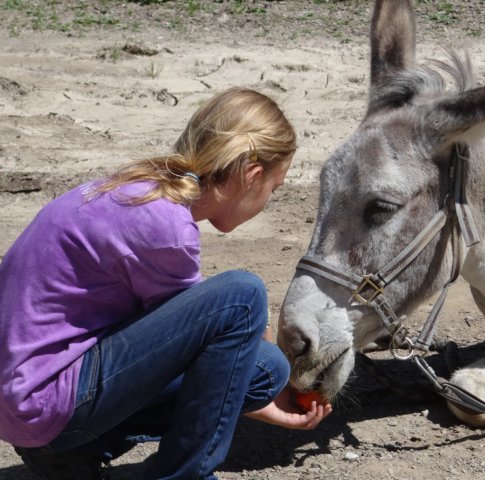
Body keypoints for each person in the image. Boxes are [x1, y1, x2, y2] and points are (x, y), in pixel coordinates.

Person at [0, 87, 332, 480]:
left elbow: (195, 359)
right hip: (45, 404)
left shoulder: (139, 189)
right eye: (273, 190)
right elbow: (208, 347)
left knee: (264, 369)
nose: (268, 201)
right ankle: (183, 475)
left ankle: (77, 457)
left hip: (28, 404)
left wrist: (266, 407)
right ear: (251, 175)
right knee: (242, 299)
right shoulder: (166, 225)